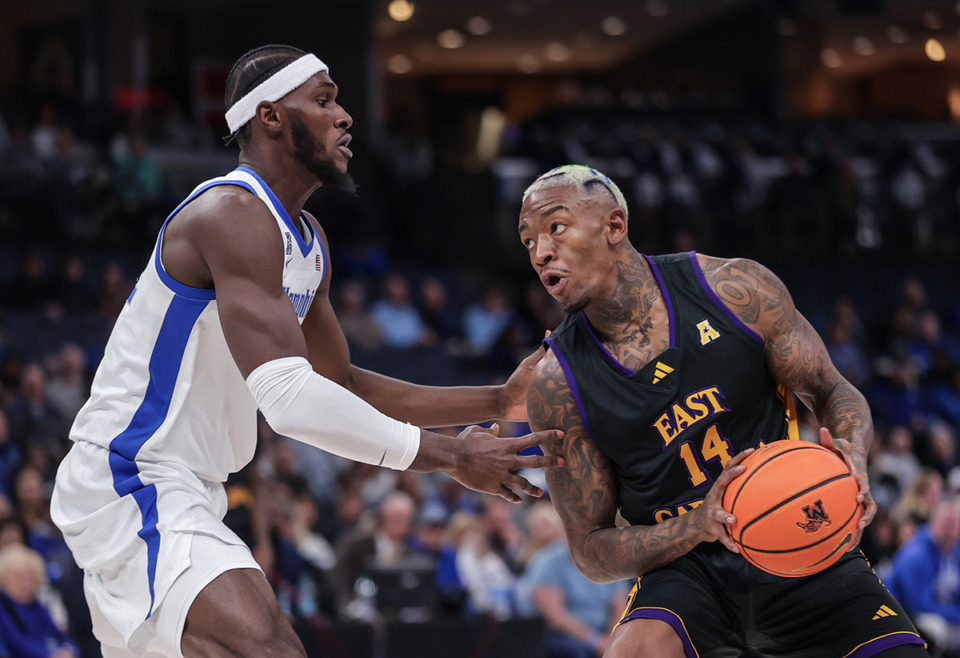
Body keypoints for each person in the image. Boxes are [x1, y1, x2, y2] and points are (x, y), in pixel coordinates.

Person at [50, 44, 561, 658]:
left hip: (193, 488)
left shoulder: (307, 240)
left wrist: (500, 399)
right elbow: (288, 400)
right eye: (323, 100)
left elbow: (336, 382)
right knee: (270, 646)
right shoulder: (231, 213)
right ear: (269, 117)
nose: (344, 116)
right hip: (134, 474)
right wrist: (450, 455)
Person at [519, 164, 926, 657]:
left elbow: (831, 389)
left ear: (614, 226)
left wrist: (854, 458)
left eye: (555, 227)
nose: (541, 253)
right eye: (529, 242)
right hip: (688, 576)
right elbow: (590, 550)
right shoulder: (557, 384)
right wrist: (698, 524)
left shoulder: (735, 290)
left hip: (800, 536)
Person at [887, 498, 960, 655]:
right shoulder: (916, 555)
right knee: (936, 627)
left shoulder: (954, 552)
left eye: (955, 524)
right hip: (905, 618)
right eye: (946, 523)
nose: (951, 530)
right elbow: (920, 605)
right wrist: (956, 614)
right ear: (933, 523)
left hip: (942, 611)